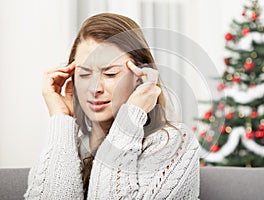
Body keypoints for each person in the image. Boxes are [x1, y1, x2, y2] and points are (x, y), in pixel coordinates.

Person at [24, 13, 201, 199]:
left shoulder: (174, 144)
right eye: (84, 74)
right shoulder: (71, 147)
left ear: (140, 78)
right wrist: (61, 119)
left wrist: (130, 119)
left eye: (110, 74)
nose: (95, 88)